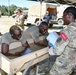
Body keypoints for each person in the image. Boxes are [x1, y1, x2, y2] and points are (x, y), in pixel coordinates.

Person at [47, 7, 76, 75]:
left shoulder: (67, 31)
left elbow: (56, 51)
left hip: (64, 65)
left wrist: (50, 47)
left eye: (63, 16)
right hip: (73, 63)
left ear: (68, 15)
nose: (62, 18)